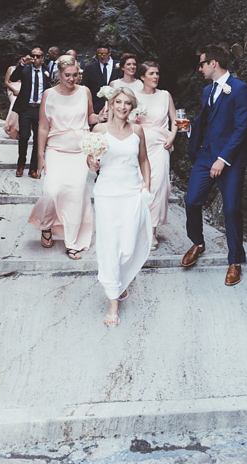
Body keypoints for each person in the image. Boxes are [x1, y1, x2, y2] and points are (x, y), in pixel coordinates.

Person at [181, 44, 247, 286]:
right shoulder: (206, 91)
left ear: (213, 64)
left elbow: (242, 128)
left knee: (231, 209)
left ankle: (235, 261)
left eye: (202, 63)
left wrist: (223, 159)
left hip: (229, 160)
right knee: (191, 201)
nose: (199, 68)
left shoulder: (240, 89)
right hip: (205, 155)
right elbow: (206, 120)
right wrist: (190, 128)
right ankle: (198, 243)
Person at [88, 87, 152, 327]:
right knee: (109, 245)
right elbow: (91, 161)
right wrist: (92, 162)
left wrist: (147, 187)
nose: (123, 107)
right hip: (106, 193)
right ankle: (113, 301)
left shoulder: (137, 130)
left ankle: (120, 281)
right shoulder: (99, 130)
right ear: (111, 104)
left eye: (127, 103)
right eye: (118, 102)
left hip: (131, 193)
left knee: (128, 245)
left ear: (132, 106)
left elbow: (144, 160)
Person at [29, 55, 100, 259]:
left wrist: (102, 117)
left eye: (75, 75)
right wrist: (40, 157)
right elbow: (43, 127)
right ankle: (46, 224)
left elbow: (90, 117)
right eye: (67, 75)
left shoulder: (84, 91)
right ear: (59, 74)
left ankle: (72, 242)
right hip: (56, 150)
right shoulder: (49, 94)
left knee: (75, 194)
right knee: (52, 191)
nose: (71, 79)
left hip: (79, 152)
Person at [134, 60, 178, 244]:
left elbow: (175, 120)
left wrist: (172, 138)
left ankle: (152, 230)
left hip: (161, 145)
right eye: (151, 74)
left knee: (159, 186)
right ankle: (139, 226)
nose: (155, 77)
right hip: (140, 147)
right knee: (141, 185)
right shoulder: (134, 96)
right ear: (142, 77)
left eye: (157, 74)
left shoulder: (165, 95)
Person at [9, 48, 51, 178]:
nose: (35, 58)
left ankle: (33, 168)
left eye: (38, 56)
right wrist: (22, 64)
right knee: (24, 136)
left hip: (40, 109)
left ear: (43, 58)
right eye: (33, 56)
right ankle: (20, 165)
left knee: (38, 139)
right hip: (26, 108)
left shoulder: (46, 72)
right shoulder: (25, 70)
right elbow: (12, 78)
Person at [82, 43, 123, 114]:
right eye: (99, 54)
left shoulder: (120, 66)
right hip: (96, 108)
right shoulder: (90, 68)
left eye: (104, 54)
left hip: (117, 107)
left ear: (109, 53)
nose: (101, 57)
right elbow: (85, 87)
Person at [3, 56, 24, 138]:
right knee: (14, 105)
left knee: (20, 108)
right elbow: (6, 82)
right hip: (12, 89)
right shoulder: (11, 68)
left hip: (21, 89)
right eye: (19, 63)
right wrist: (14, 90)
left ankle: (16, 129)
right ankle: (9, 126)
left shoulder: (25, 70)